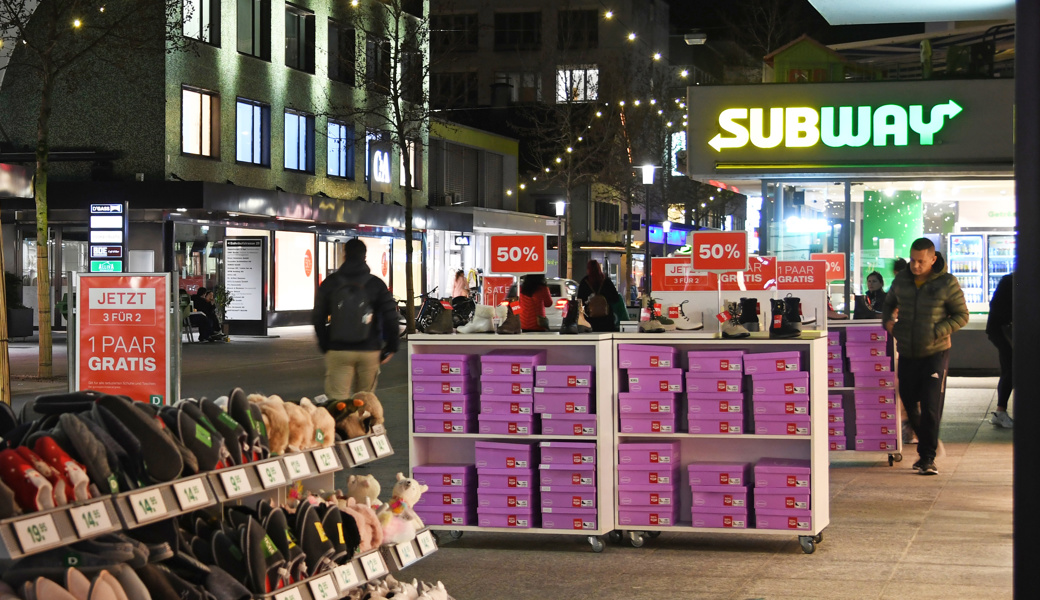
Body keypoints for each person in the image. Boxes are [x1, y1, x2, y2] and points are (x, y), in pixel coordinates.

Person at [882, 238, 969, 476]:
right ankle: (927, 444)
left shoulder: (946, 283)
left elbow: (962, 315)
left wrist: (936, 331)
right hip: (908, 352)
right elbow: (888, 303)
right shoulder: (902, 280)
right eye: (912, 260)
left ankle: (927, 458)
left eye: (921, 261)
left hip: (935, 352)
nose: (916, 266)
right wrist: (889, 322)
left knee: (930, 405)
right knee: (909, 400)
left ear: (933, 259)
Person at [313, 239, 399, 400]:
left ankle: (340, 425)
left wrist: (325, 344)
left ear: (345, 255)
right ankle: (363, 424)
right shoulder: (376, 284)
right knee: (365, 401)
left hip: (338, 350)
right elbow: (391, 317)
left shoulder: (330, 283)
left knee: (337, 402)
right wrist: (391, 347)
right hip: (369, 350)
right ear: (364, 256)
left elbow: (317, 317)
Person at [986, 272, 1014, 428]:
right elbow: (998, 308)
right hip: (1002, 331)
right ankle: (1000, 411)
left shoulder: (1012, 280)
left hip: (1003, 330)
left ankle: (1001, 411)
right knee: (1010, 367)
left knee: (1010, 367)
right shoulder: (1013, 281)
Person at [577, 260, 621, 332]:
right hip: (606, 320)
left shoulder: (584, 282)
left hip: (590, 320)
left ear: (588, 269)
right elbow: (615, 298)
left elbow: (580, 301)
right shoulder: (606, 281)